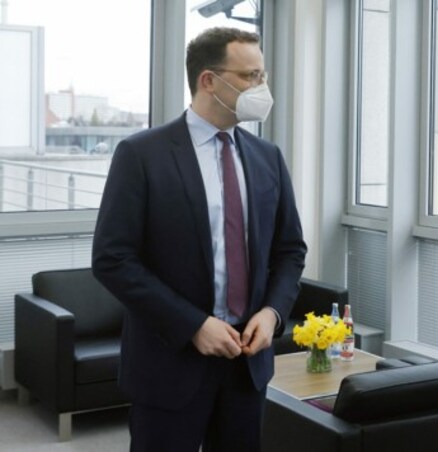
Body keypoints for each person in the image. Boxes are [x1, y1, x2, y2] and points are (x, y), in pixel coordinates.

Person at [92, 27, 306, 451]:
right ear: (209, 80)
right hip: (168, 363)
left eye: (262, 76)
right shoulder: (142, 154)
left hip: (247, 365)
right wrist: (193, 325)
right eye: (249, 76)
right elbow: (113, 259)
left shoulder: (269, 157)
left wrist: (273, 313)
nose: (260, 87)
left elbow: (289, 250)